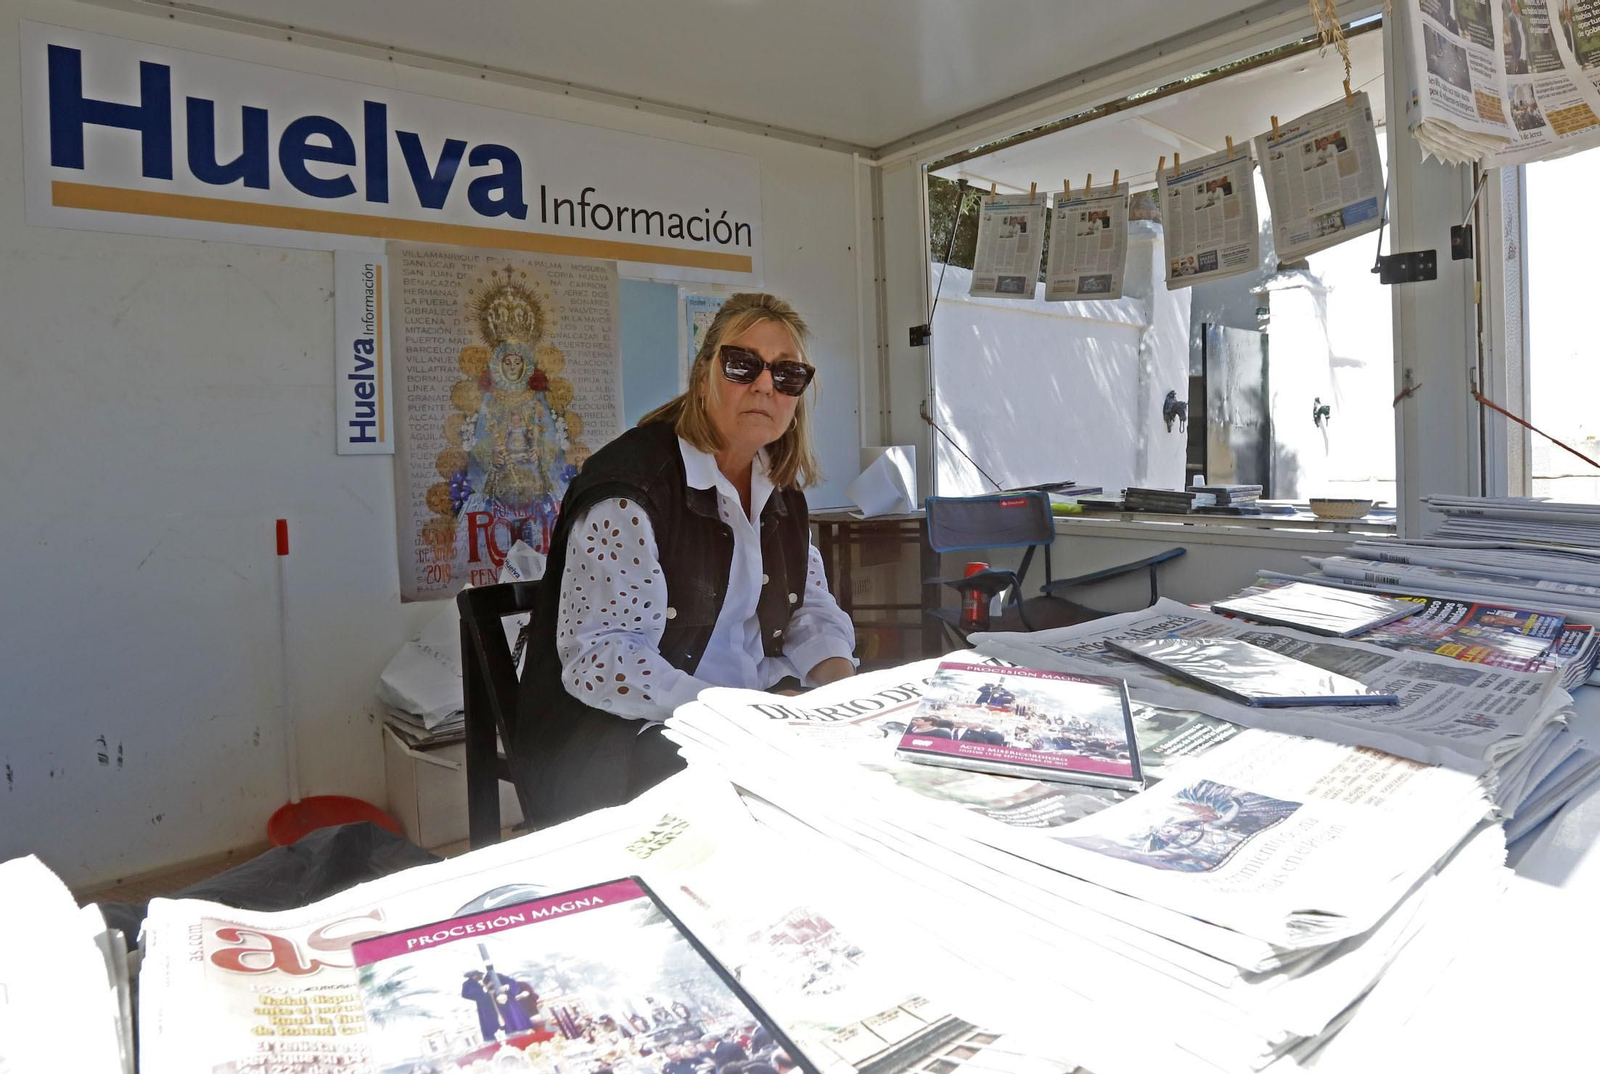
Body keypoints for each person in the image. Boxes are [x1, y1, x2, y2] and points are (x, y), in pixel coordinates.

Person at [519, 294, 857, 825]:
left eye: (787, 374)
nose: (765, 386)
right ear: (704, 376)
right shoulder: (633, 490)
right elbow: (602, 659)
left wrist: (843, 688)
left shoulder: (778, 485)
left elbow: (807, 605)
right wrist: (733, 717)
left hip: (744, 711)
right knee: (778, 807)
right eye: (743, 365)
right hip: (622, 739)